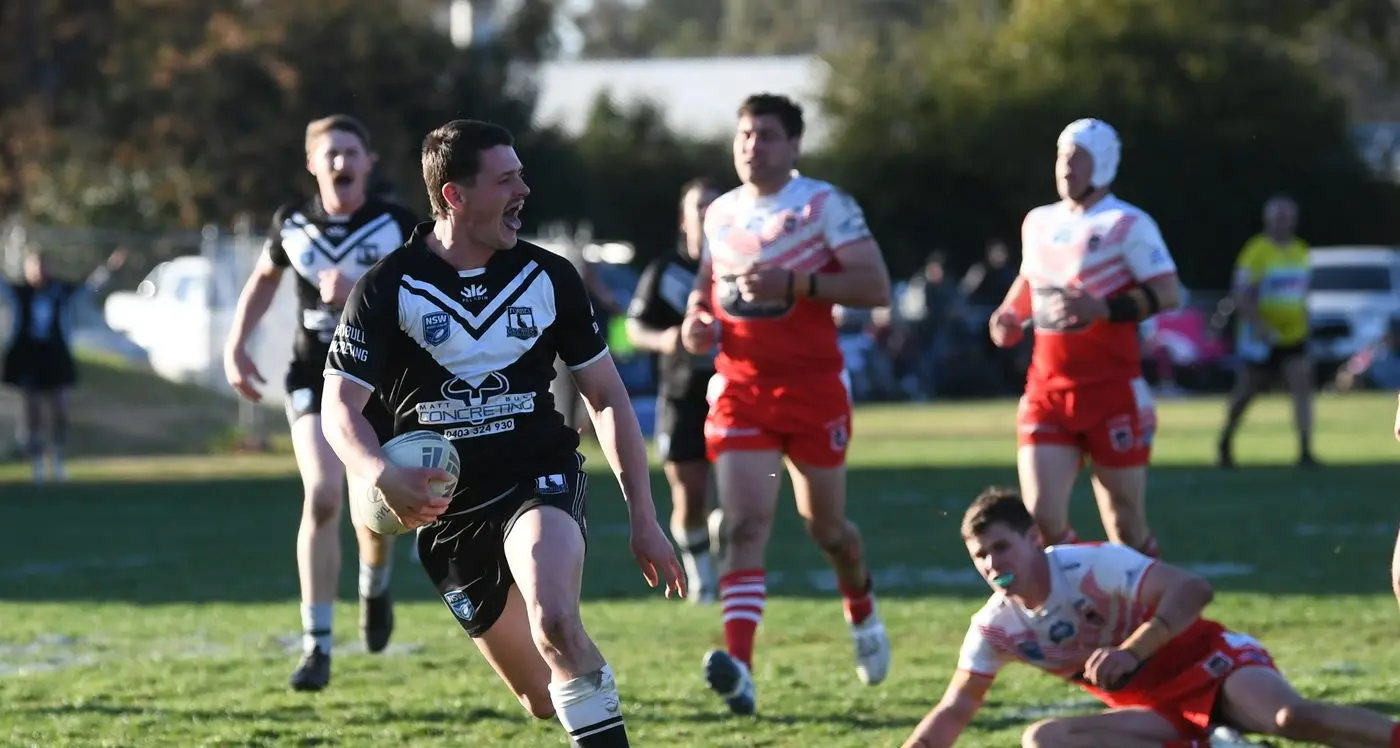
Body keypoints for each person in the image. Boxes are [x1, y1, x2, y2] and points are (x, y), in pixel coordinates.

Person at [321, 118, 684, 747]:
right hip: (447, 512)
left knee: (556, 622)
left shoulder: (550, 277)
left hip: (536, 476)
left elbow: (605, 396)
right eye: (507, 178)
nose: (525, 190)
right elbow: (338, 410)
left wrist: (645, 519)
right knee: (543, 698)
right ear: (455, 196)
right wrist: (379, 471)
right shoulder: (387, 287)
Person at [680, 93, 894, 715]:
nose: (753, 145)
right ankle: (740, 671)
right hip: (741, 391)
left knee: (827, 530)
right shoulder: (720, 213)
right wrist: (697, 320)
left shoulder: (825, 206)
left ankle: (862, 610)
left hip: (814, 391)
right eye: (745, 134)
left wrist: (799, 283)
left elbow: (875, 285)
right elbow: (707, 288)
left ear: (795, 145)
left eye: (767, 135)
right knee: (743, 528)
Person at [901, 486, 1400, 748]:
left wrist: (1132, 651)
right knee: (1045, 740)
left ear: (1034, 539)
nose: (992, 564)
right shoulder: (996, 627)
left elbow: (1193, 589)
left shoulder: (1087, 565)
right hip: (1158, 711)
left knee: (1294, 718)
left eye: (1001, 548)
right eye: (980, 556)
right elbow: (952, 713)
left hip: (1214, 665)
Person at [222, 114, 419, 691]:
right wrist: (236, 345)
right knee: (325, 493)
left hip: (381, 383)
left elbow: (426, 290)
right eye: (330, 152)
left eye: (351, 151)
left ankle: (375, 583)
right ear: (312, 163)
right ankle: (317, 646)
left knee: (376, 509)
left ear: (369, 162)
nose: (341, 161)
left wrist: (357, 287)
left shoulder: (397, 225)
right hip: (314, 374)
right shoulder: (293, 224)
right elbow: (263, 279)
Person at [989, 118, 1182, 558]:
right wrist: (1008, 314)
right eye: (1061, 157)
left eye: (1077, 158)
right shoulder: (1038, 222)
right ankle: (1083, 604)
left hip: (1111, 390)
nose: (1066, 167)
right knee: (1042, 520)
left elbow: (1168, 292)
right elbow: (1029, 279)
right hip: (1048, 390)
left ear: (1104, 164)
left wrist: (1104, 309)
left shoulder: (1126, 223)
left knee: (1126, 524)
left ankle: (1150, 608)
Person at [626, 177, 723, 603]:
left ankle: (723, 567)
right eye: (697, 207)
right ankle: (703, 577)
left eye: (712, 206)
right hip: (683, 393)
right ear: (683, 219)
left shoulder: (740, 265)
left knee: (738, 498)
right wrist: (666, 339)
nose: (705, 214)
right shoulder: (666, 271)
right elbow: (632, 327)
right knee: (690, 492)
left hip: (733, 392)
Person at [2, 247, 127, 482]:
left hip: (55, 355)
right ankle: (36, 461)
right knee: (33, 409)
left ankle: (57, 458)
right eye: (34, 266)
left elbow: (89, 287)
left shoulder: (60, 291)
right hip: (27, 355)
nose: (39, 271)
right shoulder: (19, 293)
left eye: (42, 265)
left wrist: (110, 267)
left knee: (60, 405)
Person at [1217, 195, 1317, 468]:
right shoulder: (1256, 251)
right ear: (1268, 220)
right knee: (1248, 390)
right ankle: (1226, 440)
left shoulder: (1300, 250)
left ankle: (1305, 449)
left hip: (1293, 334)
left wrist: (1307, 323)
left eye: (1288, 218)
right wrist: (1259, 326)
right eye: (1278, 218)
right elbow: (1242, 294)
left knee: (1301, 384)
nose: (1283, 223)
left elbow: (1303, 293)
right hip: (1260, 335)